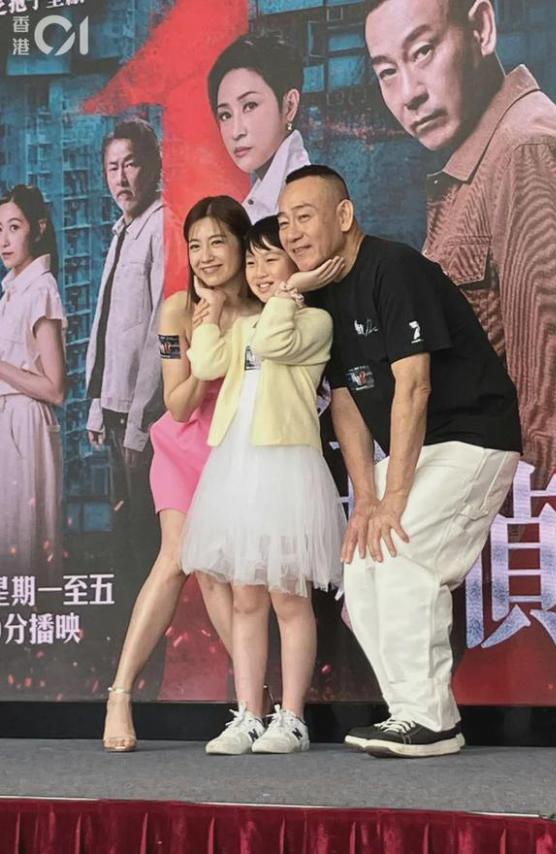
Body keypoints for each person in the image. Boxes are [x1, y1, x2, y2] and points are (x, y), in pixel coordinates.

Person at [278, 164, 522, 758]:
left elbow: (414, 386)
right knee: (362, 566)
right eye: (283, 222)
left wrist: (393, 500)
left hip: (472, 437)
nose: (292, 233)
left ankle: (431, 719)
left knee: (403, 551)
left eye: (304, 216)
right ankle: (409, 713)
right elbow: (346, 401)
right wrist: (365, 500)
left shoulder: (395, 268)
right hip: (421, 449)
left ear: (344, 215)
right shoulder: (322, 294)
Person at [363, 0, 556, 488]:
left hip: (517, 517)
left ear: (482, 28)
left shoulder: (528, 154)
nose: (409, 94)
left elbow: (555, 417)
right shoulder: (484, 158)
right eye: (387, 72)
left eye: (422, 52)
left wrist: (518, 530)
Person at [182, 215, 345, 755]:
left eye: (270, 259)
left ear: (296, 264)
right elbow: (206, 362)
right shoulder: (245, 324)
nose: (257, 271)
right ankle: (248, 714)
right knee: (245, 599)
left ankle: (292, 718)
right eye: (251, 261)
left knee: (288, 599)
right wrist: (210, 314)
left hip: (286, 469)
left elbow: (277, 342)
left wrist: (291, 292)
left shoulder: (314, 321)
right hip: (238, 468)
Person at [102, 196, 259, 752]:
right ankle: (120, 695)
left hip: (239, 449)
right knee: (174, 559)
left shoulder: (265, 307)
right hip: (183, 446)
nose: (206, 256)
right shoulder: (176, 310)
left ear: (242, 244)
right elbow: (178, 404)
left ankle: (253, 704)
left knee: (217, 573)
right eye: (195, 245)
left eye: (218, 241)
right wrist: (205, 333)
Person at [86, 117, 166, 599]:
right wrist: (98, 405)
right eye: (112, 167)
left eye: (130, 164)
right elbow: (107, 327)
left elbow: (161, 332)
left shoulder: (160, 227)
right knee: (124, 543)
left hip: (143, 418)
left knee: (145, 544)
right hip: (115, 411)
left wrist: (139, 424)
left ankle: (153, 641)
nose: (120, 178)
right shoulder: (122, 230)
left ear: (153, 165)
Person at [0, 184, 66, 580]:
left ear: (37, 229)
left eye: (14, 227)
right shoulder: (12, 290)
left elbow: (55, 388)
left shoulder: (41, 289)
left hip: (26, 424)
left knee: (25, 540)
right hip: (8, 421)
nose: (4, 241)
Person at [208, 32, 310, 223]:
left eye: (250, 106)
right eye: (225, 115)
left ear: (289, 106)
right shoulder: (262, 198)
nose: (236, 132)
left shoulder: (303, 202)